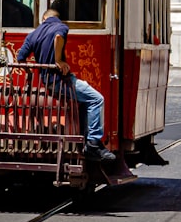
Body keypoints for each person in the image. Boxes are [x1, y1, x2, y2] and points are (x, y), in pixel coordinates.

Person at [16, 9, 116, 163]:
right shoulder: (60, 27)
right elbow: (58, 38)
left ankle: (84, 137)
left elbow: (20, 57)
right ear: (56, 18)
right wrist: (58, 60)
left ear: (43, 19)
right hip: (60, 82)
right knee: (97, 99)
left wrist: (29, 73)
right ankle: (93, 143)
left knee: (84, 98)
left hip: (48, 81)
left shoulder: (33, 34)